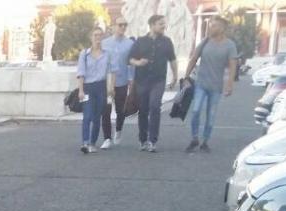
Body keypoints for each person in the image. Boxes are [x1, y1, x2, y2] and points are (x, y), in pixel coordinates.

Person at [182, 16, 238, 153]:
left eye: (214, 26)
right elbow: (193, 59)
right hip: (201, 83)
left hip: (216, 86)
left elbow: (232, 66)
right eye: (211, 25)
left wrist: (229, 84)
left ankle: (205, 141)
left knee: (211, 115)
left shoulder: (230, 45)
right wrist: (186, 76)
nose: (211, 28)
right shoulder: (205, 42)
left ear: (222, 28)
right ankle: (195, 138)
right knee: (195, 111)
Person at [127, 14, 177, 153]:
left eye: (164, 24)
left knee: (155, 106)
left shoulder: (167, 41)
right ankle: (143, 139)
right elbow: (130, 59)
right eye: (161, 24)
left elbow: (173, 60)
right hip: (142, 80)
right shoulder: (140, 41)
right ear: (152, 25)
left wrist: (175, 77)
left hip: (158, 80)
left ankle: (152, 140)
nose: (164, 26)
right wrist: (138, 62)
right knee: (143, 110)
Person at [100, 18, 135, 148]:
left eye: (125, 25)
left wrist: (131, 80)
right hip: (108, 82)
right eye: (120, 25)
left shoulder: (129, 44)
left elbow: (131, 63)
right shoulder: (104, 43)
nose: (123, 27)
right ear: (114, 26)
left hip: (122, 81)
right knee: (106, 110)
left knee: (121, 110)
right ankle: (107, 138)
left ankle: (118, 130)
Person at [77, 27, 113, 154]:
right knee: (87, 116)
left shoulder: (107, 54)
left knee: (97, 117)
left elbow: (109, 72)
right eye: (95, 35)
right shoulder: (84, 54)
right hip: (88, 87)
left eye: (100, 35)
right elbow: (81, 72)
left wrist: (110, 90)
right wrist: (80, 90)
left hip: (101, 87)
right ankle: (85, 142)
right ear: (91, 37)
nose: (98, 38)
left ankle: (92, 143)